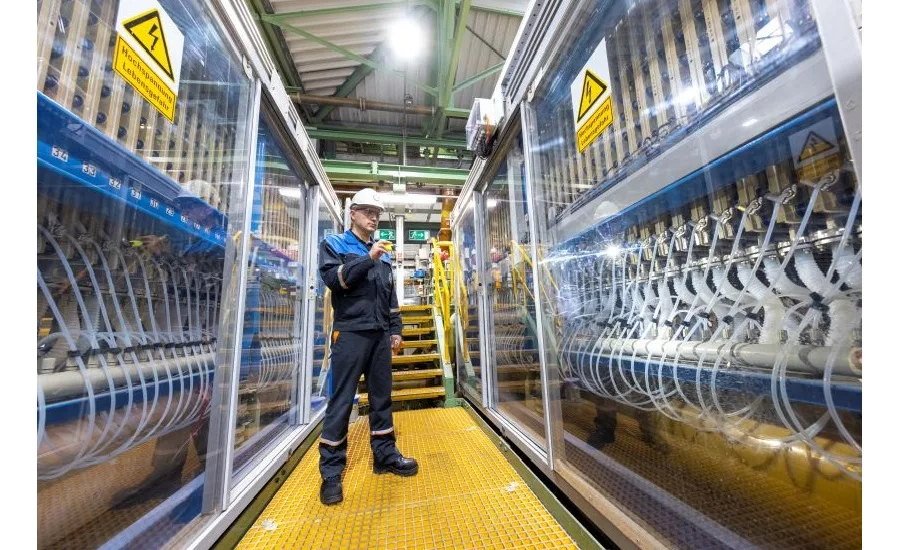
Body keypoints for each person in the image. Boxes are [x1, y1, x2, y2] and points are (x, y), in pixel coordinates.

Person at [316, 188, 418, 505]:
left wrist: (396, 329)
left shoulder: (382, 254)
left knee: (382, 399)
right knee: (341, 402)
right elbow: (337, 281)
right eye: (367, 211)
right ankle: (331, 474)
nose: (373, 217)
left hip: (379, 337)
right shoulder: (334, 245)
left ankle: (385, 456)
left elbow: (389, 297)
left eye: (377, 213)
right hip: (349, 334)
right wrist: (367, 258)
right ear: (353, 213)